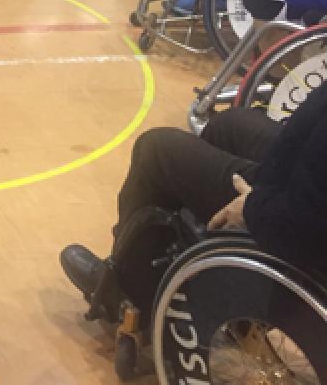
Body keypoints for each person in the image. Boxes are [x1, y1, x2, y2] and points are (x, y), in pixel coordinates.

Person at [60, 89, 327, 308]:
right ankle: (193, 275)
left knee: (156, 150)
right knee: (231, 125)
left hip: (296, 222)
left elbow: (301, 222)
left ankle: (126, 292)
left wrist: (252, 207)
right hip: (303, 178)